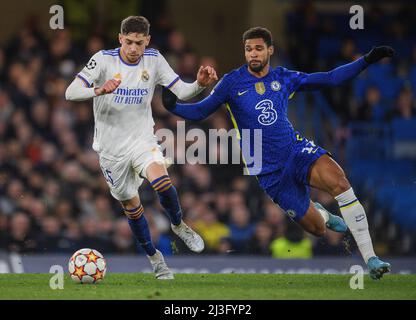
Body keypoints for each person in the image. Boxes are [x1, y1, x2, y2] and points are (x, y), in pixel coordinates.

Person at [162, 27, 394, 280]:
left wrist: (367, 60)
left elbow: (330, 78)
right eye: (249, 49)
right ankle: (322, 214)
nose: (253, 54)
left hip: (296, 151)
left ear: (270, 50)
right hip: (268, 172)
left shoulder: (284, 77)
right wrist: (172, 105)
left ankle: (371, 258)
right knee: (317, 229)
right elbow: (199, 111)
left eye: (259, 48)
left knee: (340, 183)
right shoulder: (231, 82)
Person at [65, 16, 218, 279]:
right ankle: (156, 260)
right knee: (133, 209)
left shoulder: (154, 59)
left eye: (139, 43)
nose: (134, 48)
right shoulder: (103, 59)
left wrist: (200, 85)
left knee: (162, 182)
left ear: (147, 41)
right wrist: (99, 90)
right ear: (120, 39)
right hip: (111, 152)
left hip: (142, 141)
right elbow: (70, 92)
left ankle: (179, 225)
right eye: (129, 42)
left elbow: (182, 91)